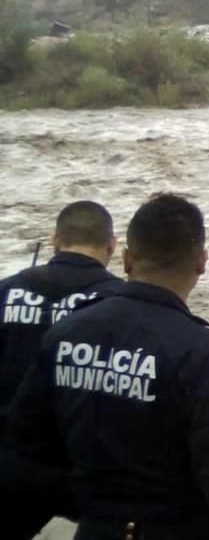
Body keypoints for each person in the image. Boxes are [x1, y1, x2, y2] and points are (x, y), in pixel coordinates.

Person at [8, 194, 209, 540]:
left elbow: (27, 445)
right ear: (202, 262)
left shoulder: (66, 333)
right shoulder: (203, 353)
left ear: (126, 259)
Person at [0, 201, 124, 540]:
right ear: (111, 246)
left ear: (55, 241)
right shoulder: (122, 304)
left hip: (12, 462)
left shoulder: (6, 290)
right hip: (92, 471)